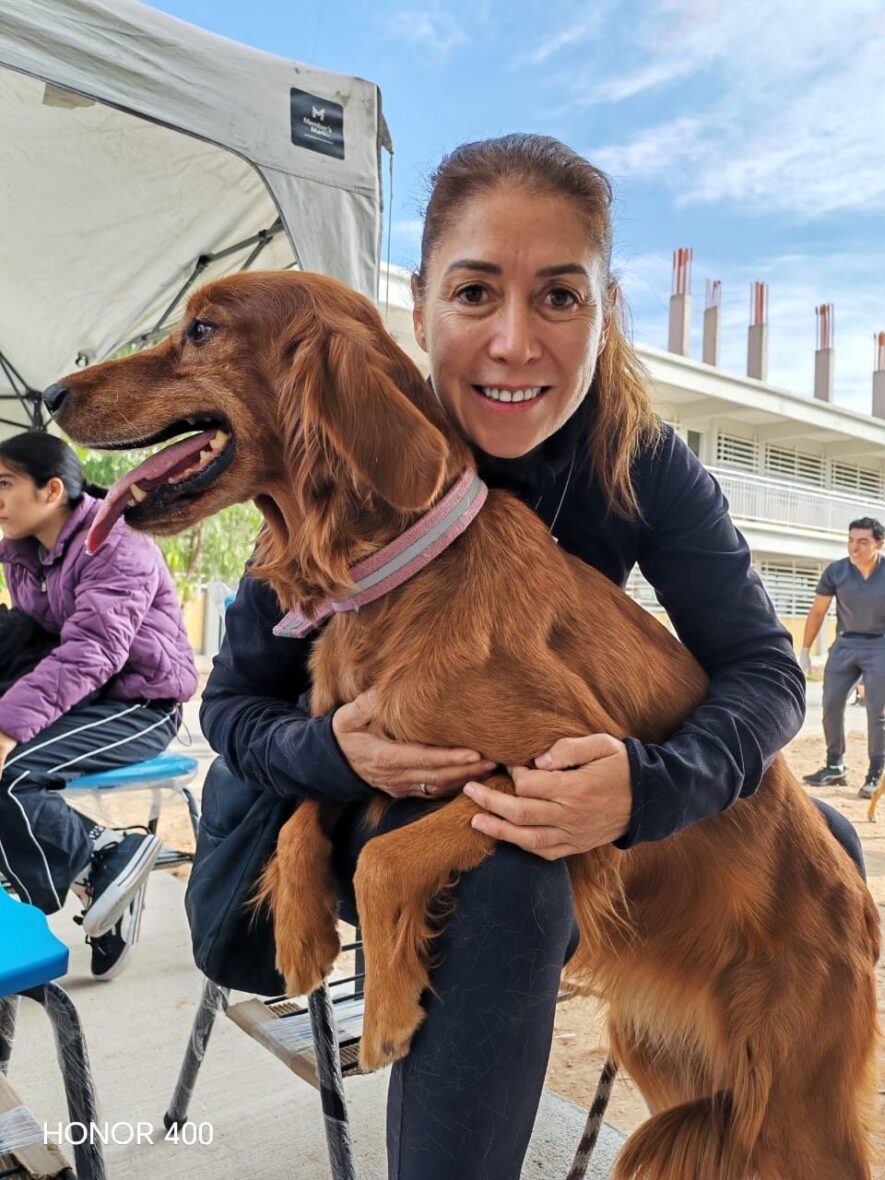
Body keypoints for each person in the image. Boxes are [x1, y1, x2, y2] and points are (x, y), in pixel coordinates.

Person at [199, 135, 864, 1179]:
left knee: (824, 839)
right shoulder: (340, 428)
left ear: (604, 311)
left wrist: (649, 788)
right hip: (335, 821)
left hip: (559, 798)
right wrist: (336, 755)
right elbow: (232, 704)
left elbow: (765, 671)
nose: (515, 342)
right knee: (516, 881)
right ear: (423, 305)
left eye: (560, 297)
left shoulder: (635, 453)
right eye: (475, 294)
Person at [0, 432, 197, 979]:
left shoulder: (115, 542)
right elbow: (37, 640)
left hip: (141, 703)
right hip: (88, 699)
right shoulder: (22, 552)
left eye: (4, 485)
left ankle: (100, 851)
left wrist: (7, 729)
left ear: (51, 490)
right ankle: (96, 876)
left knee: (12, 773)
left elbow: (92, 654)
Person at [800, 516, 885, 799]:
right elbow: (817, 612)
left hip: (880, 645)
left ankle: (875, 771)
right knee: (831, 705)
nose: (854, 547)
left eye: (862, 541)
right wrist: (805, 650)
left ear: (879, 544)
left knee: (877, 712)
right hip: (846, 644)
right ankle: (835, 765)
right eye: (851, 540)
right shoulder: (836, 572)